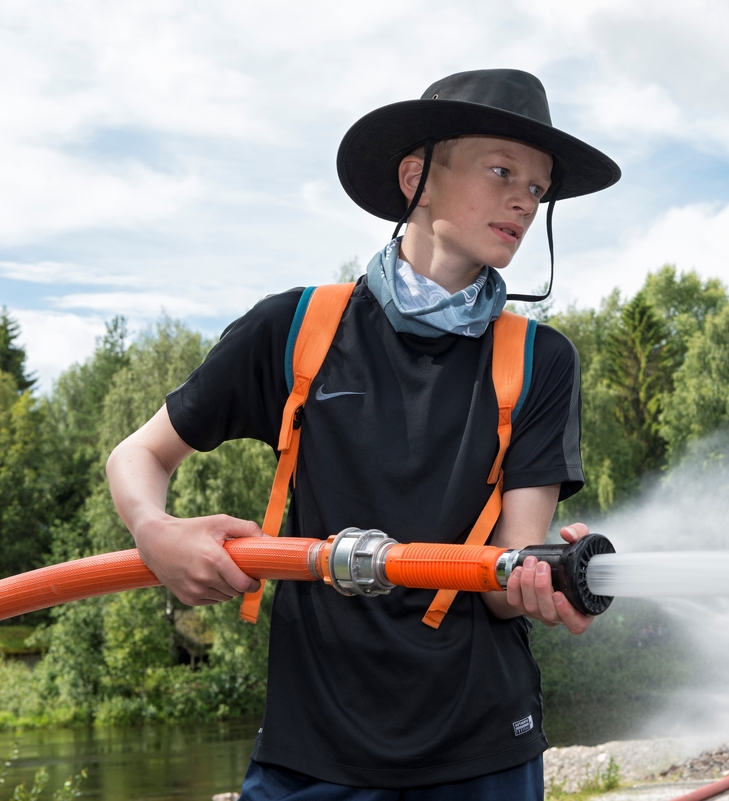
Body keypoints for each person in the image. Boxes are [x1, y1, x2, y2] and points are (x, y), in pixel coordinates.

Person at [105, 69, 621, 799]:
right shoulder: (295, 328)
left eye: (538, 189)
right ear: (418, 177)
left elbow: (505, 578)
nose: (522, 202)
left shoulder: (541, 360)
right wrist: (153, 531)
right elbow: (139, 454)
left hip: (480, 753)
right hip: (313, 749)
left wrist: (541, 576)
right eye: (502, 171)